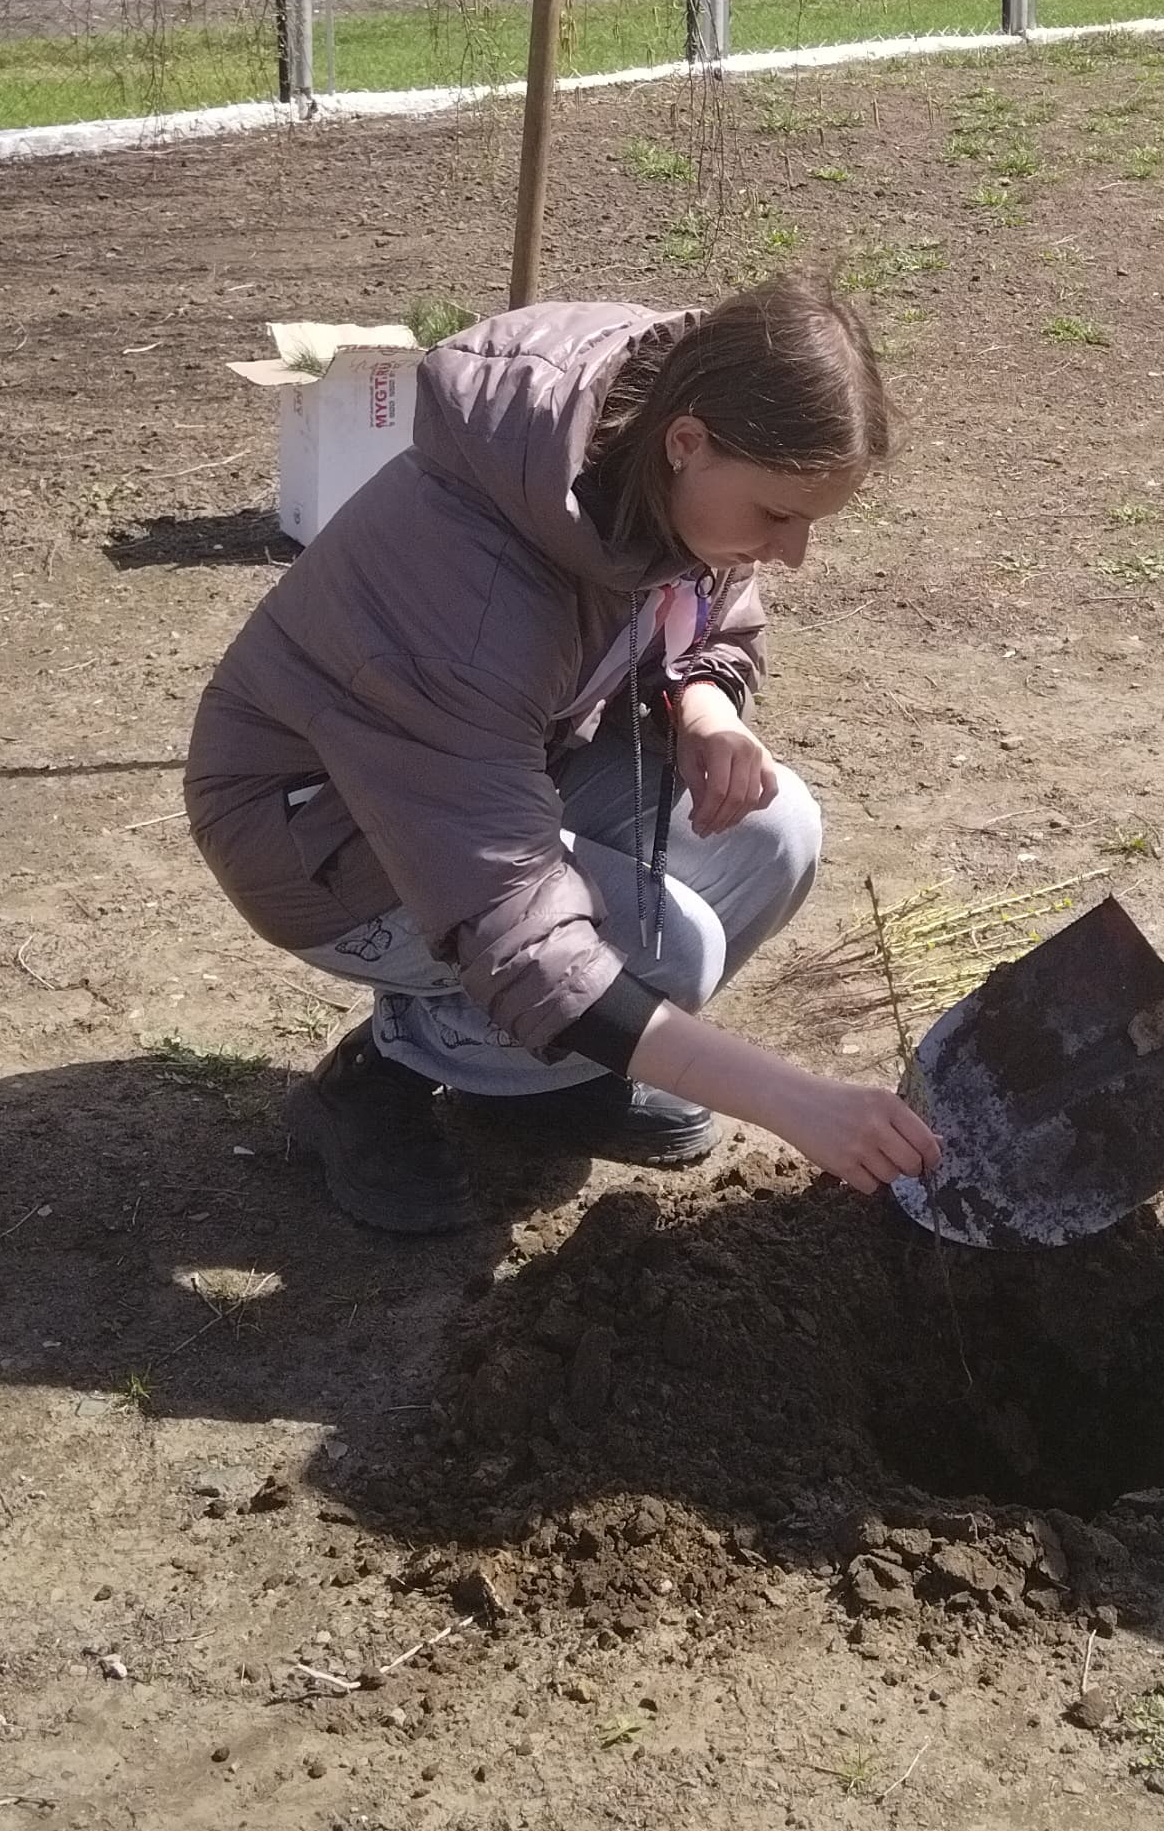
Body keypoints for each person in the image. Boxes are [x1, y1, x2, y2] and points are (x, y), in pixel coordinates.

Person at [184, 277, 939, 1232]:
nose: (791, 553)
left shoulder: (649, 431)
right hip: (316, 837)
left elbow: (710, 599)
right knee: (667, 947)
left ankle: (543, 1082)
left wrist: (701, 702)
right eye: (778, 514)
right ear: (688, 443)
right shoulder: (473, 600)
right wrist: (795, 1103)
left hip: (498, 770)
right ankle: (377, 1081)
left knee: (774, 830)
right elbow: (522, 940)